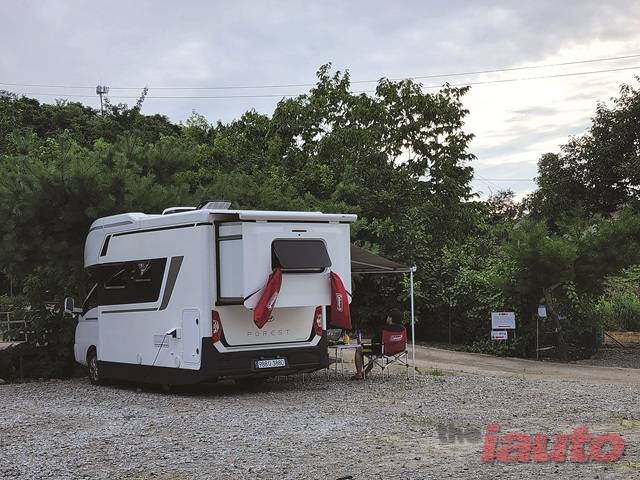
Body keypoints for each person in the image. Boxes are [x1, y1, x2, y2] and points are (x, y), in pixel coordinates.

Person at [352, 308, 405, 380]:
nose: (387, 318)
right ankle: (365, 373)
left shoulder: (384, 329)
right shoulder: (403, 329)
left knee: (359, 350)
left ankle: (359, 374)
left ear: (390, 318)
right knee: (375, 352)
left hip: (381, 350)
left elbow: (374, 341)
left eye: (388, 316)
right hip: (398, 350)